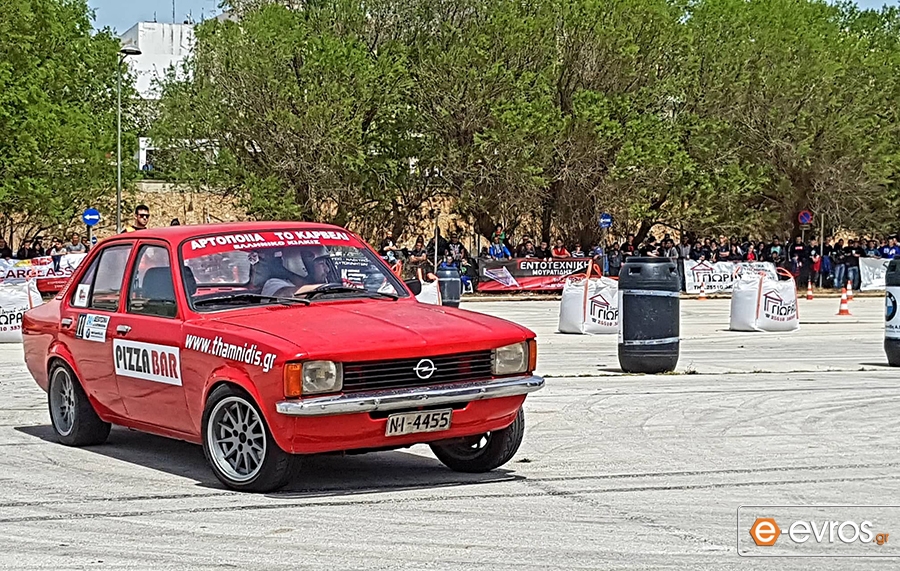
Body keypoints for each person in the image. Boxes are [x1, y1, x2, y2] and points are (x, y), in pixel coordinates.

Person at [261, 246, 339, 297]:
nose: (327, 269)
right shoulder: (273, 285)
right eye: (321, 264)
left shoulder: (325, 283)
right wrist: (328, 289)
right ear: (298, 264)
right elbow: (287, 294)